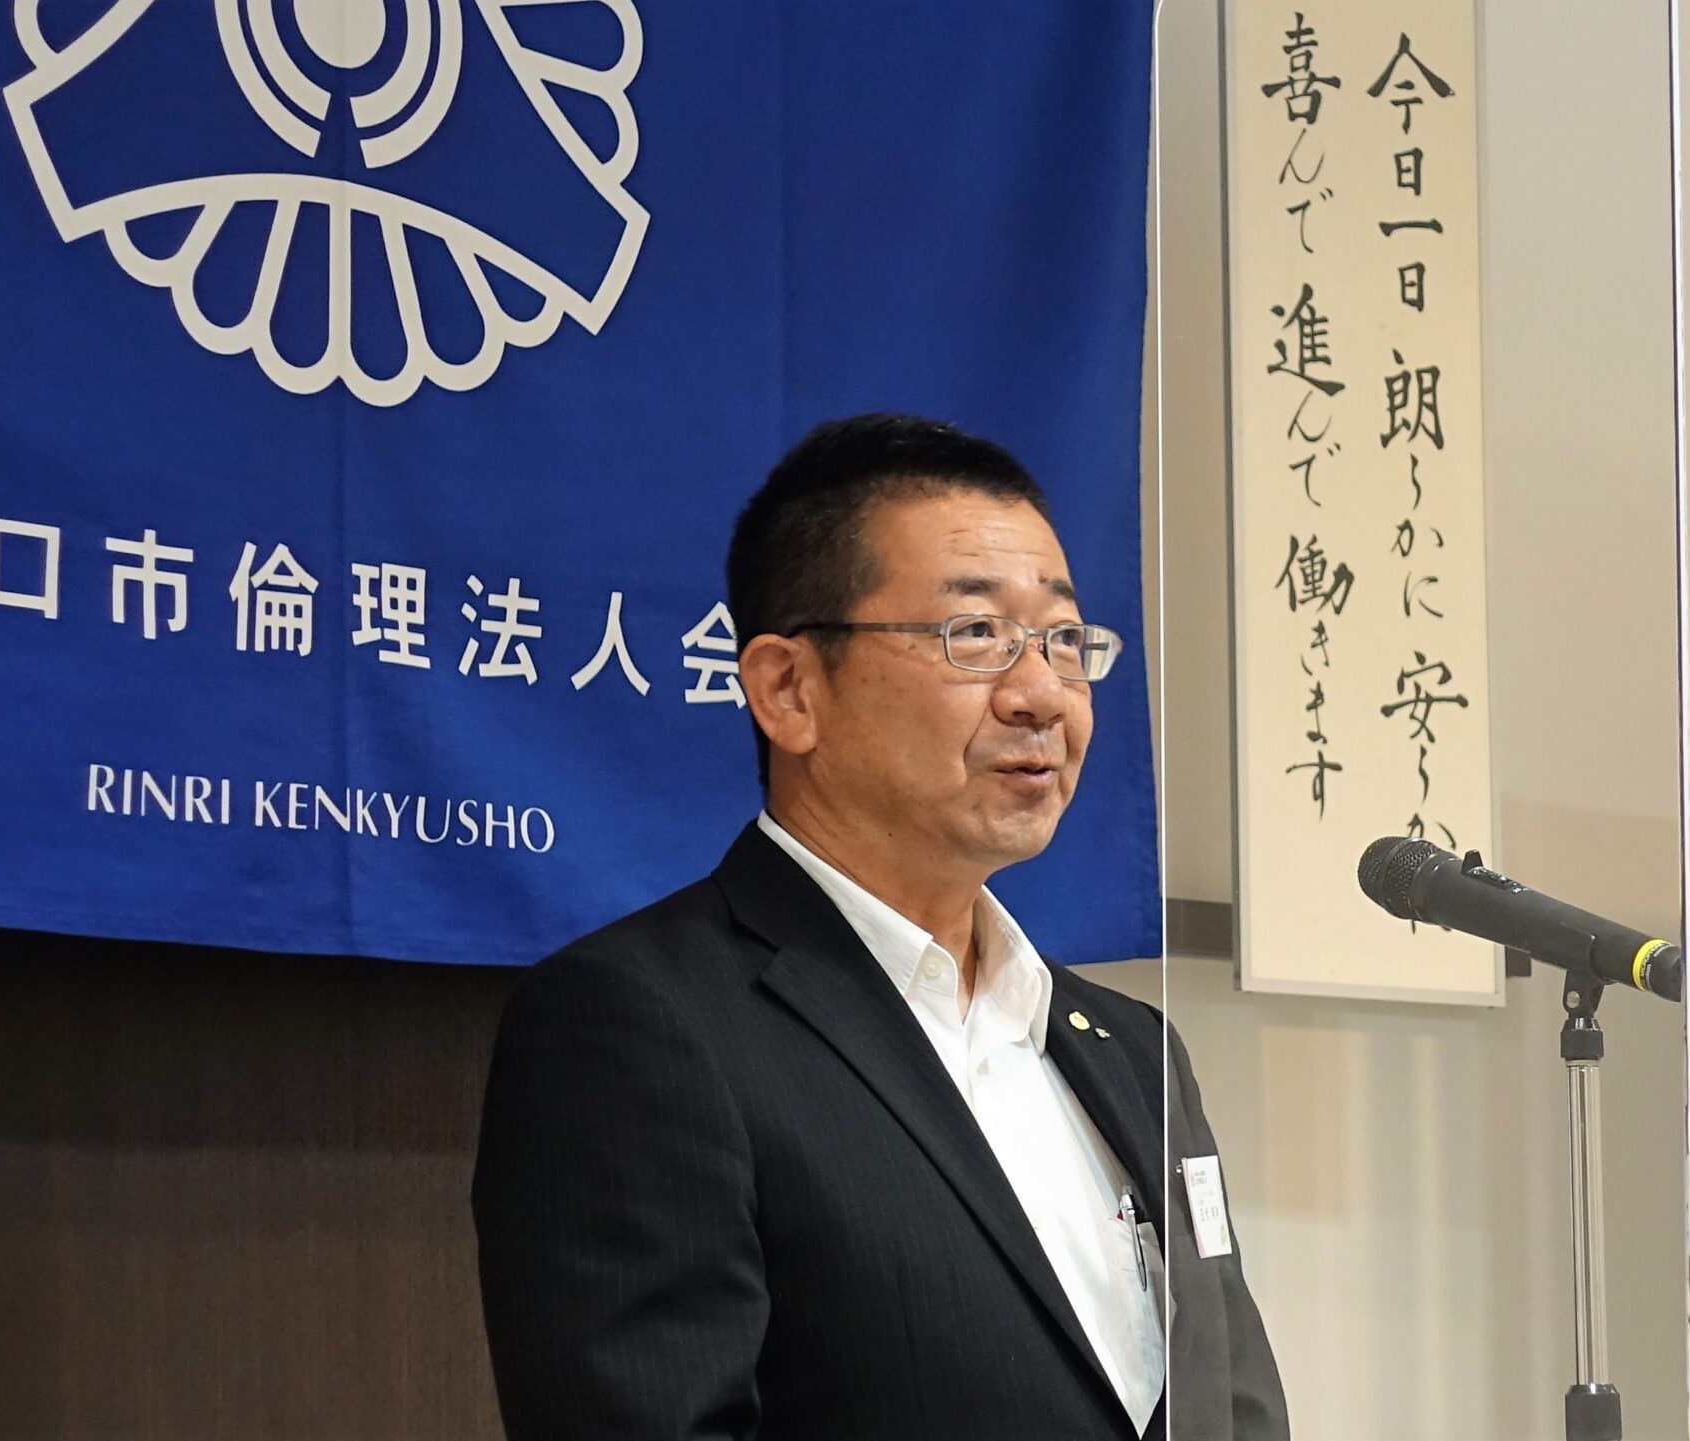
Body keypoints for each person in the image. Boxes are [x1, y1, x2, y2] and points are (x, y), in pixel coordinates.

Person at [470, 414, 1287, 1441]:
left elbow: (1233, 1405)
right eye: (974, 634)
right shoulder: (643, 1027)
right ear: (788, 690)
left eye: (1065, 640)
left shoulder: (1132, 1049)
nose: (1042, 694)